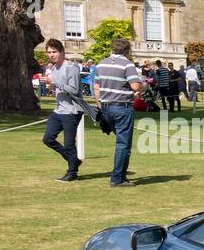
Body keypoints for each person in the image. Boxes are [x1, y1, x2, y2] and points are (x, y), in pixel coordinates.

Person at [92, 38, 144, 188]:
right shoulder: (127, 64)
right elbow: (135, 86)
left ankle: (121, 174)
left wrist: (100, 105)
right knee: (123, 144)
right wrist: (145, 86)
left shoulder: (101, 63)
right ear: (127, 50)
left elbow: (96, 87)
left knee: (122, 143)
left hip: (106, 106)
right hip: (121, 107)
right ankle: (117, 178)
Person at [40, 39, 85, 182]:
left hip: (72, 111)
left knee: (69, 144)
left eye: (54, 52)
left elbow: (74, 89)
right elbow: (59, 87)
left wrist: (55, 83)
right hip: (58, 110)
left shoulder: (71, 67)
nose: (51, 55)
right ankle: (74, 160)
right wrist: (51, 86)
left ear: (62, 52)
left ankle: (72, 172)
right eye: (49, 52)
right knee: (48, 139)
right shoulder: (53, 68)